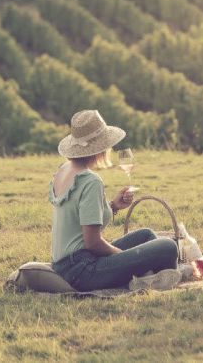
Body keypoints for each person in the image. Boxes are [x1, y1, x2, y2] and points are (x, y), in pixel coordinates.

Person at [50, 110, 181, 291]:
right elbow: (93, 243)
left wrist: (113, 206)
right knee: (168, 246)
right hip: (82, 271)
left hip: (65, 264)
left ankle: (149, 277)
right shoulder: (90, 181)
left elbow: (79, 219)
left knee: (146, 235)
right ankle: (157, 277)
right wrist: (122, 256)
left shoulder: (63, 169)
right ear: (101, 147)